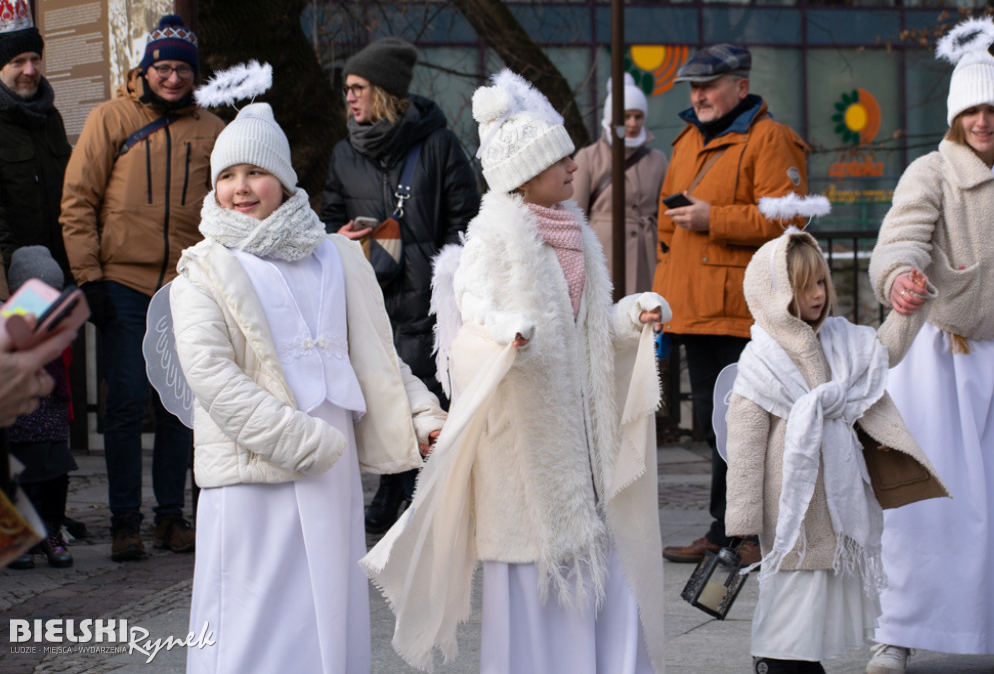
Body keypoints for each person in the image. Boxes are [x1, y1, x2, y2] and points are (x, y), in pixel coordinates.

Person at [362, 69, 669, 673]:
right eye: (560, 159)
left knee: (595, 553)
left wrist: (631, 316)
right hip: (523, 441)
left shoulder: (576, 233)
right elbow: (472, 312)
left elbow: (585, 332)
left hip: (577, 437)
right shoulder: (492, 236)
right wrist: (508, 330)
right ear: (526, 175)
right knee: (533, 563)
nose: (574, 167)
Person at [170, 102, 446, 673]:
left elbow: (376, 357)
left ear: (285, 178)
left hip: (332, 457)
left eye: (255, 172)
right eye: (227, 176)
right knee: (253, 607)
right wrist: (296, 440)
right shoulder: (204, 267)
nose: (241, 189)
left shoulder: (336, 255)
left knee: (328, 599)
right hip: (257, 462)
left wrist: (422, 414)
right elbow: (211, 374)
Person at [866, 16, 994, 674]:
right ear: (957, 117)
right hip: (939, 353)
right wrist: (901, 277)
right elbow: (901, 237)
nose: (982, 122)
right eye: (970, 111)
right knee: (923, 498)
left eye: (993, 109)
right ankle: (895, 630)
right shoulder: (928, 171)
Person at [724, 223, 949, 674]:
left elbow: (882, 353)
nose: (817, 295)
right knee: (792, 583)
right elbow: (746, 445)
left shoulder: (842, 339)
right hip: (790, 502)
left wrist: (906, 312)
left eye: (821, 282)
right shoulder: (761, 360)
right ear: (775, 293)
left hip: (836, 492)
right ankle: (777, 660)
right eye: (803, 287)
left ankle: (802, 659)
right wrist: (743, 520)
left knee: (822, 584)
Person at [59, 14, 224, 561]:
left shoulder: (212, 129)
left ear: (193, 73)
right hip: (122, 285)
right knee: (126, 403)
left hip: (186, 287)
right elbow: (78, 202)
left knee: (179, 406)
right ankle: (124, 522)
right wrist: (89, 278)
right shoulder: (111, 118)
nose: (172, 78)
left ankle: (171, 519)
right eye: (163, 67)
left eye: (182, 69)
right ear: (146, 69)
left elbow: (226, 210)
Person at [653, 43, 810, 567]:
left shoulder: (770, 139)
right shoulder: (685, 141)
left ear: (740, 87)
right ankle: (725, 532)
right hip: (695, 313)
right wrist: (661, 301)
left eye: (708, 86)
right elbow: (666, 235)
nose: (698, 96)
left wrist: (714, 219)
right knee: (716, 428)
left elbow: (791, 220)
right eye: (693, 88)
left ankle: (750, 536)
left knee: (748, 427)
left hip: (745, 312)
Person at [321, 36, 480, 533]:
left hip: (429, 299)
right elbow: (325, 222)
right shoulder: (344, 154)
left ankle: (421, 501)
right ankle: (393, 488)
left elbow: (468, 222)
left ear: (385, 91)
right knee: (383, 393)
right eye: (346, 89)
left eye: (358, 88)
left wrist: (441, 273)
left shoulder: (439, 145)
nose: (349, 97)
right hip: (369, 298)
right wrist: (338, 238)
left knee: (426, 396)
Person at [4, 246, 78, 570]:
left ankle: (52, 530)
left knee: (56, 470)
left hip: (52, 412)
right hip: (18, 413)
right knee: (16, 473)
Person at [572, 73, 669, 295]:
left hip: (647, 255)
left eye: (638, 116)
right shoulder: (589, 157)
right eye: (625, 116)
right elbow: (574, 215)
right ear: (611, 117)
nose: (632, 123)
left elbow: (665, 214)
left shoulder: (658, 160)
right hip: (604, 252)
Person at [0, 0, 71, 280]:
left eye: (35, 59)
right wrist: (11, 266)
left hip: (62, 272)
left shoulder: (51, 118)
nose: (29, 70)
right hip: (16, 277)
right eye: (18, 61)